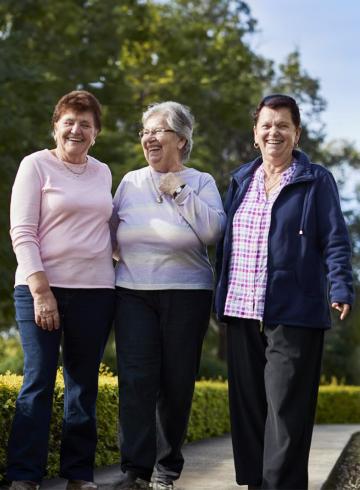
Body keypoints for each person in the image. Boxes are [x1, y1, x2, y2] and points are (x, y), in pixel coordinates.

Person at [215, 94, 354, 490]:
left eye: (282, 125)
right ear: (255, 134)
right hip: (241, 309)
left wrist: (341, 284)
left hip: (293, 311)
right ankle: (258, 484)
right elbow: (225, 241)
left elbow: (336, 239)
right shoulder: (241, 180)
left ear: (296, 133)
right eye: (266, 125)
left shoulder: (316, 180)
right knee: (250, 410)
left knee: (286, 411)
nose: (273, 131)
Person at [110, 101, 226, 490]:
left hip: (187, 293)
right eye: (145, 132)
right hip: (133, 293)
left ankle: (165, 470)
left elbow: (212, 233)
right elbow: (110, 233)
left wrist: (177, 189)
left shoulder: (201, 181)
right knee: (135, 380)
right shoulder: (129, 181)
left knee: (176, 382)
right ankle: (135, 471)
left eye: (157, 130)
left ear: (181, 138)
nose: (148, 138)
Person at [8, 90, 115, 490]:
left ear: (96, 133)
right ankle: (24, 475)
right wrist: (41, 290)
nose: (76, 129)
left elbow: (108, 228)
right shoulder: (35, 165)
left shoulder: (103, 172)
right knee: (38, 380)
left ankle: (78, 475)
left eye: (85, 124)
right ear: (55, 126)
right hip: (41, 287)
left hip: (96, 291)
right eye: (69, 121)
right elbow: (22, 231)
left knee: (83, 384)